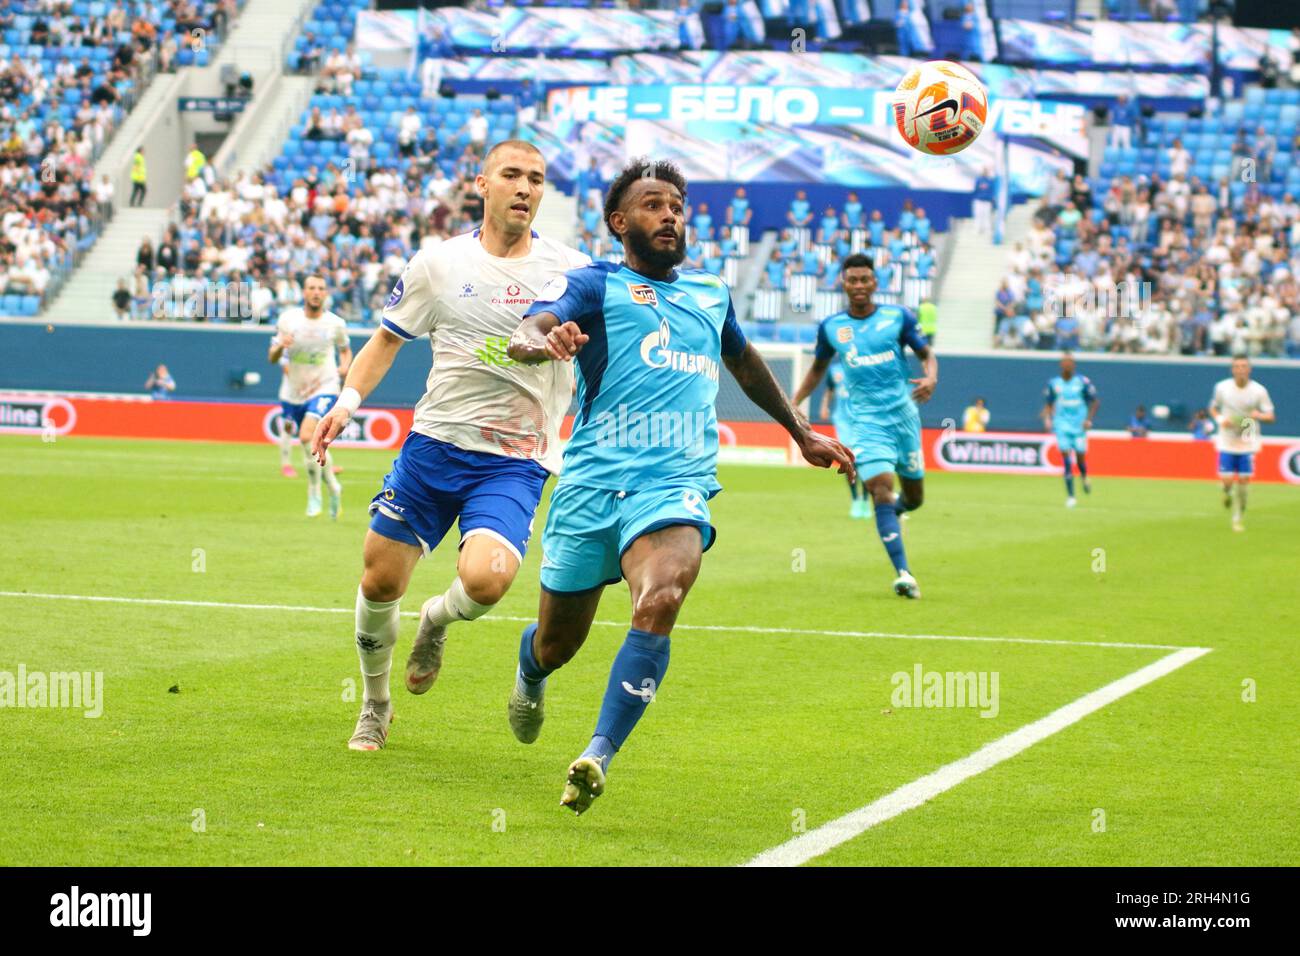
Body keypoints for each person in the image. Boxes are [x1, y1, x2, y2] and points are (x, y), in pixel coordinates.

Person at [503, 158, 853, 814]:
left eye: (677, 206)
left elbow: (743, 362)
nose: (670, 216)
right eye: (653, 205)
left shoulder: (711, 294)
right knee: (558, 644)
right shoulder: (594, 285)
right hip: (591, 485)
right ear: (619, 222)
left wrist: (801, 431)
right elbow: (532, 327)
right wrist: (541, 344)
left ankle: (596, 756)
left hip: (675, 484)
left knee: (662, 595)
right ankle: (531, 667)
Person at [310, 141, 589, 753]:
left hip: (515, 460)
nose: (525, 187)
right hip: (435, 446)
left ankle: (435, 620)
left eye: (536, 179)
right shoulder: (437, 264)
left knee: (487, 582)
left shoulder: (572, 269)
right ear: (482, 183)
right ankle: (375, 705)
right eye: (511, 175)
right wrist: (345, 405)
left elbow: (597, 347)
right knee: (380, 580)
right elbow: (385, 341)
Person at [792, 253, 938, 600]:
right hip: (867, 422)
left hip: (904, 417)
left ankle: (891, 515)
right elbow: (817, 369)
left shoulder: (898, 317)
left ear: (875, 283)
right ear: (842, 283)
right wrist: (792, 404)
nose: (858, 286)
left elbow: (926, 353)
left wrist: (931, 377)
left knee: (914, 499)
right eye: (852, 280)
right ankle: (904, 573)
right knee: (881, 488)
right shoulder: (831, 327)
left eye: (864, 280)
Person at [270, 274, 352, 519]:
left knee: (306, 435)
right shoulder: (288, 320)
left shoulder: (335, 323)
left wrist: (345, 366)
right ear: (303, 293)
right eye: (311, 288)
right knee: (311, 442)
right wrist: (280, 346)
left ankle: (314, 491)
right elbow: (272, 357)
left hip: (325, 386)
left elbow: (345, 350)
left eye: (320, 288)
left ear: (325, 293)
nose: (316, 292)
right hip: (295, 391)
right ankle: (333, 486)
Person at [1210, 355, 1275, 532]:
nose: (1240, 369)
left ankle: (1237, 517)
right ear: (1232, 369)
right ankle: (1226, 491)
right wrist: (1221, 419)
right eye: (1237, 366)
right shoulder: (1222, 387)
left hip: (1248, 434)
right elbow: (1213, 408)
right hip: (1227, 437)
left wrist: (1258, 416)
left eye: (1244, 366)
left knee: (1245, 480)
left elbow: (1270, 415)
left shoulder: (1259, 391)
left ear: (1249, 369)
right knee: (1228, 480)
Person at [1041, 352, 1099, 508]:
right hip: (1061, 425)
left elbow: (1095, 402)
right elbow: (1049, 402)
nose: (1067, 365)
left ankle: (1085, 476)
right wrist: (1046, 416)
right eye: (1064, 362)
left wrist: (1088, 420)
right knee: (1066, 459)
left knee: (1080, 458)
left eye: (1070, 362)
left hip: (1079, 426)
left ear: (1073, 365)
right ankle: (1071, 496)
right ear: (1061, 365)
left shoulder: (1082, 382)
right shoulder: (1054, 383)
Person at [819, 358, 865, 518]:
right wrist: (824, 406)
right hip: (843, 421)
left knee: (864, 461)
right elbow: (830, 390)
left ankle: (866, 498)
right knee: (848, 459)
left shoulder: (865, 365)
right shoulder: (835, 370)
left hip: (862, 420)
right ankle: (856, 500)